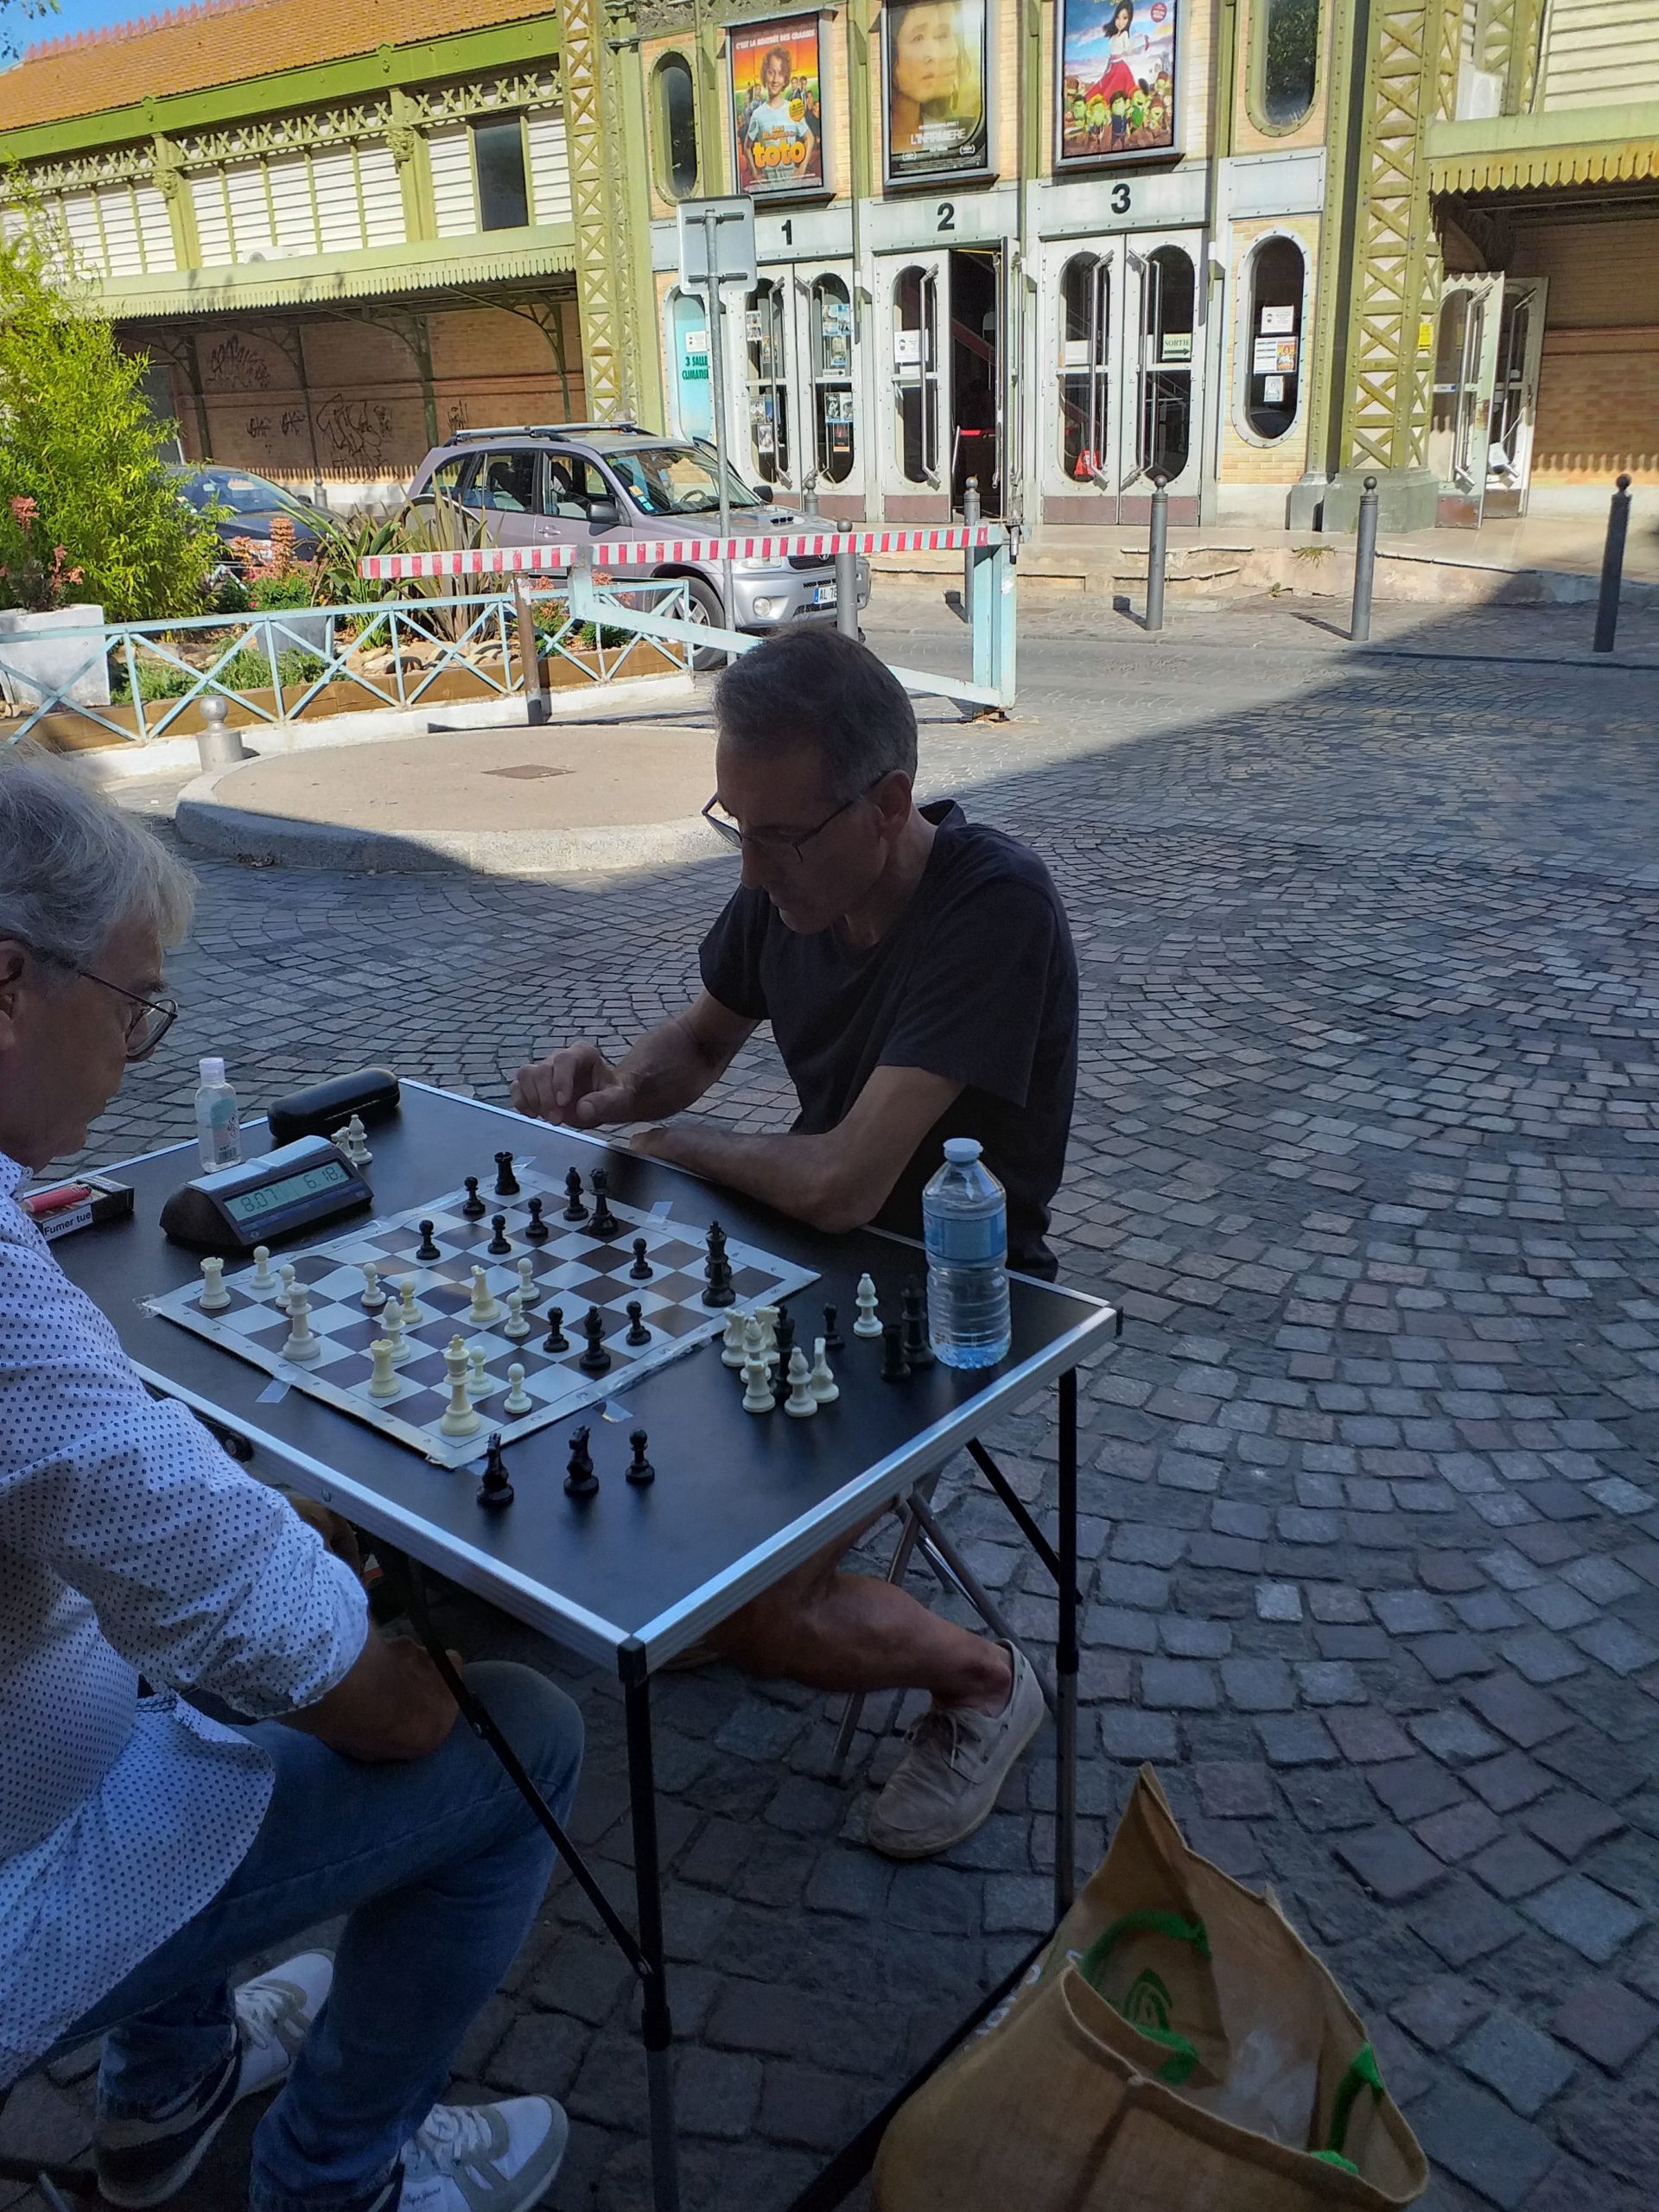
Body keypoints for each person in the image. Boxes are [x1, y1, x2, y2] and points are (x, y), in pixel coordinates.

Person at [0, 754, 583, 2212]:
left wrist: (275, 1544)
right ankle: (338, 2180)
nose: (138, 1050)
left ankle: (169, 2090)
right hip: (19, 1887)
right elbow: (273, 1624)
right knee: (524, 1734)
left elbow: (122, 1511)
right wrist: (395, 1686)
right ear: (9, 984)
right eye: (132, 1006)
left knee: (158, 1638)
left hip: (45, 1746)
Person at [512, 630, 1078, 1859]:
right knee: (563, 1404)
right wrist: (612, 1094)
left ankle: (985, 1682)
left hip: (951, 1289)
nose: (753, 867)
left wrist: (677, 1144)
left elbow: (840, 1181)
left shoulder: (994, 906)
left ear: (887, 805)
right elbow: (699, 1044)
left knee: (757, 1609)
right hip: (810, 1262)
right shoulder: (789, 882)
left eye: (779, 837)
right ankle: (717, 1597)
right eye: (736, 826)